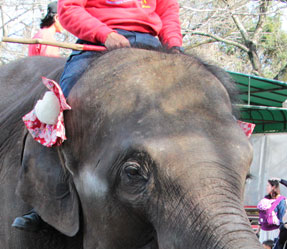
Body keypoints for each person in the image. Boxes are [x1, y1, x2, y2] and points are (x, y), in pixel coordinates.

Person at [12, 0, 183, 232]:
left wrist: (173, 44)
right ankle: (48, 201)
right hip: (99, 43)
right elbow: (70, 8)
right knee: (59, 108)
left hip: (152, 44)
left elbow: (168, 9)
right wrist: (105, 34)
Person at [257, 179, 287, 249]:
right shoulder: (265, 199)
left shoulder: (281, 201)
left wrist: (280, 231)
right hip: (263, 231)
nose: (266, 187)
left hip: (274, 231)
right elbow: (261, 215)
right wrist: (258, 229)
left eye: (268, 185)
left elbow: (282, 217)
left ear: (273, 187)